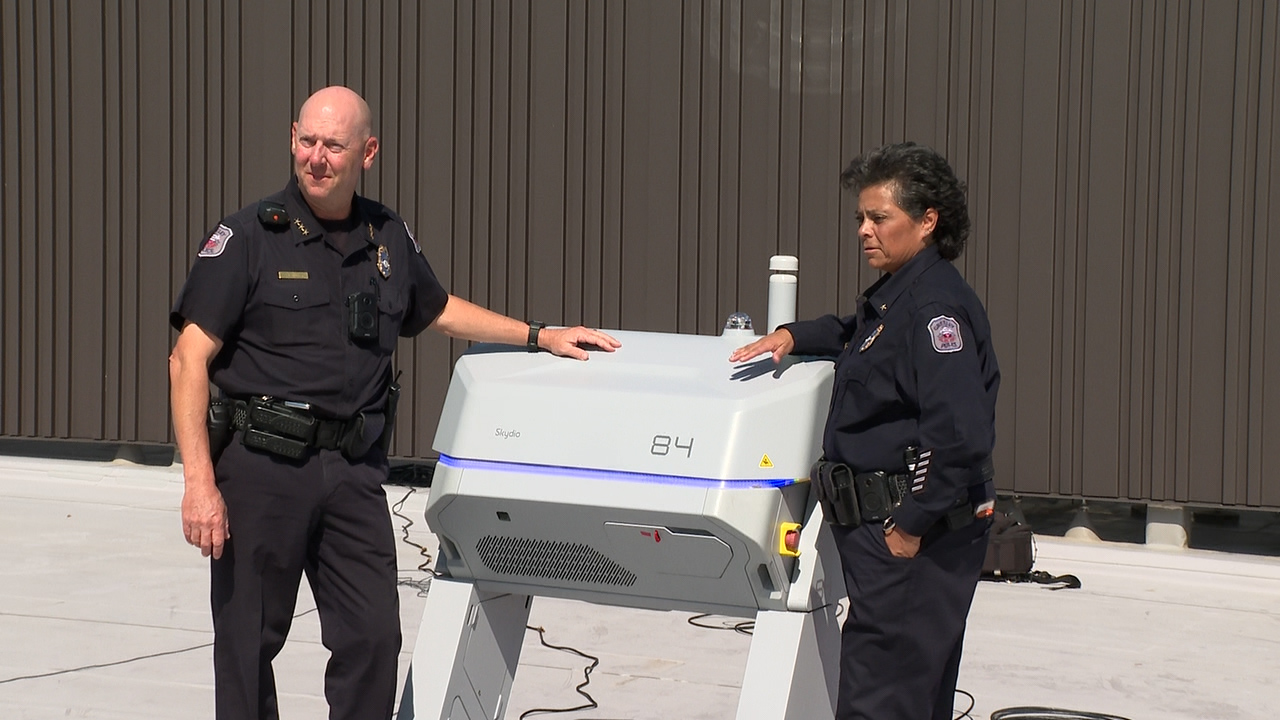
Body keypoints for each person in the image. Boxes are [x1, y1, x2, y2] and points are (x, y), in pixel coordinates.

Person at [168, 85, 620, 720]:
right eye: (307, 141)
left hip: (352, 474)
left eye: (334, 145)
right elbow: (188, 359)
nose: (316, 158)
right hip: (261, 472)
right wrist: (199, 483)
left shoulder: (385, 234)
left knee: (373, 639)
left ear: (367, 152)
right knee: (247, 645)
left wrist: (538, 334)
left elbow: (434, 308)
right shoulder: (247, 235)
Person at [730, 142, 999, 719]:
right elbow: (858, 333)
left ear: (928, 221)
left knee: (882, 701)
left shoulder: (933, 309)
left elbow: (958, 436)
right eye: (861, 217)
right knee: (906, 697)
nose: (864, 230)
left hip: (910, 540)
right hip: (890, 535)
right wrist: (795, 336)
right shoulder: (902, 297)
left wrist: (909, 526)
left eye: (880, 218)